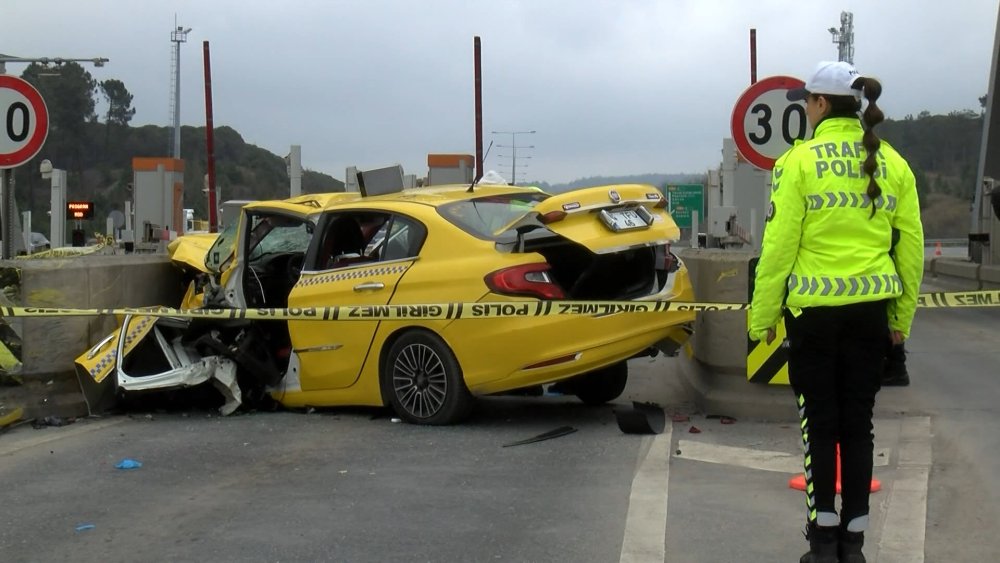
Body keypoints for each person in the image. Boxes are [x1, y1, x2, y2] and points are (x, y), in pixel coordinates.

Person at [748, 61, 924, 562]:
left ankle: (822, 543)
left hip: (814, 319)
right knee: (858, 426)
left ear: (820, 105)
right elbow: (910, 248)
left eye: (807, 101)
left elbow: (778, 248)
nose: (805, 108)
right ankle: (854, 544)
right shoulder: (894, 163)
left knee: (819, 427)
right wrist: (899, 321)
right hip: (871, 316)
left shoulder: (797, 163)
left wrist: (762, 318)